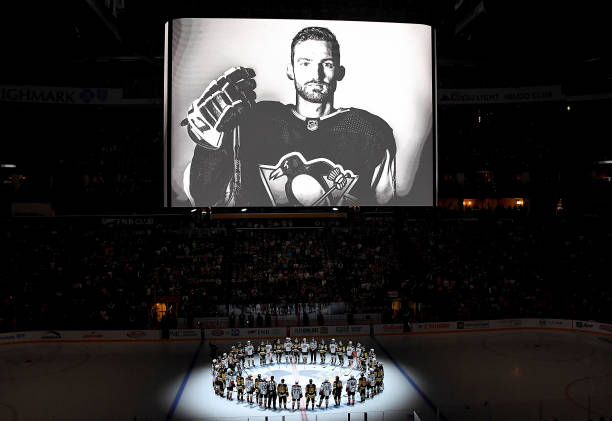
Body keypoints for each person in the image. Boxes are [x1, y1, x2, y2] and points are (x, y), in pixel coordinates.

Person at [183, 26, 398, 207]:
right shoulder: (253, 121)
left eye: (327, 64)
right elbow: (202, 198)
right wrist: (208, 145)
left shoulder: (371, 132)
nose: (316, 74)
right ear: (290, 71)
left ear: (339, 72)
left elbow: (385, 206)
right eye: (305, 63)